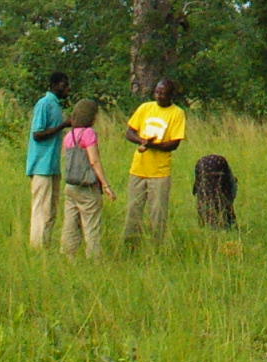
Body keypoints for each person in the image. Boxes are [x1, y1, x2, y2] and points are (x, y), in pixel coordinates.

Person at [122, 77, 185, 246]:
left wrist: (154, 145)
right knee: (133, 211)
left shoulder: (176, 113)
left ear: (171, 95)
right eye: (157, 92)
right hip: (138, 169)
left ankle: (156, 247)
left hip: (159, 172)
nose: (159, 96)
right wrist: (142, 141)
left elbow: (174, 143)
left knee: (157, 213)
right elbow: (129, 132)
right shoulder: (145, 108)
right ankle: (130, 247)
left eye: (163, 93)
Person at [58, 99, 107, 257]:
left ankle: (67, 255)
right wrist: (105, 185)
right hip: (87, 186)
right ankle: (94, 257)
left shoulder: (69, 135)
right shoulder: (88, 133)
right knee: (91, 225)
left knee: (70, 224)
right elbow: (94, 161)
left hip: (71, 185)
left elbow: (65, 156)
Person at [27, 71, 70, 248]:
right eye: (64, 85)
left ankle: (45, 244)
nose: (68, 89)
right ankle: (37, 246)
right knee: (41, 208)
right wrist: (63, 126)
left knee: (51, 209)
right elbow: (37, 134)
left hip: (52, 165)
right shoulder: (44, 104)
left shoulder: (56, 105)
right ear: (55, 85)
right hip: (41, 166)